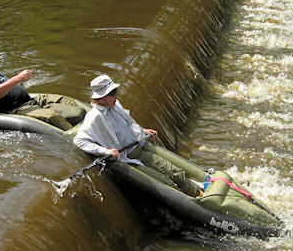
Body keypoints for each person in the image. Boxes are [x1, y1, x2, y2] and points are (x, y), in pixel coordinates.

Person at [73, 74, 202, 198]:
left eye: (115, 91)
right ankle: (193, 202)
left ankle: (200, 194)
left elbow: (128, 124)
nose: (116, 96)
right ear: (102, 97)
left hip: (138, 147)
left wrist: (143, 130)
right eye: (112, 94)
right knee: (165, 182)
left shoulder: (115, 105)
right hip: (127, 157)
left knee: (175, 172)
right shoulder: (94, 117)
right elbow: (80, 141)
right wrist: (105, 150)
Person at [0, 41, 84, 130]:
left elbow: (5, 86)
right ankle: (76, 138)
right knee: (52, 117)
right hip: (14, 109)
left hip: (29, 100)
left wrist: (19, 85)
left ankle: (86, 124)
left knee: (70, 104)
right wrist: (17, 78)